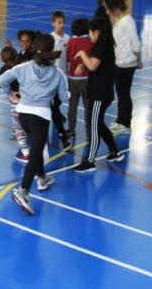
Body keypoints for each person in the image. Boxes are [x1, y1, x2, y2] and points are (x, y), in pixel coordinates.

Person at [0, 34, 69, 216]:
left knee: (36, 149)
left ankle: (43, 178)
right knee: (35, 153)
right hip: (40, 117)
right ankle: (23, 191)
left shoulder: (24, 67)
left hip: (22, 114)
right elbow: (64, 97)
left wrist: (10, 94)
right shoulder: (58, 73)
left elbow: (2, 79)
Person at [73, 17, 125, 172]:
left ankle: (89, 162)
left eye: (90, 32)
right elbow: (97, 65)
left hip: (99, 94)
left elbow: (93, 66)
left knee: (94, 126)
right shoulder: (106, 44)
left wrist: (82, 54)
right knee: (99, 124)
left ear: (97, 31)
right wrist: (85, 63)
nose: (89, 35)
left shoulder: (101, 45)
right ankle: (114, 152)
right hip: (103, 91)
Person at [105, 0, 141, 133]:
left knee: (124, 93)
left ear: (115, 8)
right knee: (120, 93)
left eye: (108, 9)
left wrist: (138, 60)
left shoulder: (127, 21)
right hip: (119, 61)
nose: (107, 12)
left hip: (127, 62)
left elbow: (135, 42)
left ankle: (126, 123)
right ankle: (120, 120)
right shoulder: (119, 20)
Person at [0, 46, 31, 163]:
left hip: (15, 102)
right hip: (29, 99)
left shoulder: (4, 70)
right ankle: (35, 148)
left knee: (18, 128)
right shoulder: (24, 66)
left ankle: (26, 153)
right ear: (16, 56)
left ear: (1, 59)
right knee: (30, 124)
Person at [66, 18, 93, 139]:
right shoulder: (90, 41)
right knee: (88, 106)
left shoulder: (71, 41)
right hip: (87, 78)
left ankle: (71, 130)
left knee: (72, 105)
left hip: (73, 78)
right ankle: (89, 132)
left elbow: (67, 58)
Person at [49, 11, 72, 149]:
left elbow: (68, 55)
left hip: (64, 73)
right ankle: (55, 114)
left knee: (59, 98)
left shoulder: (68, 38)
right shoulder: (51, 39)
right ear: (53, 24)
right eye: (59, 22)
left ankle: (56, 112)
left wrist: (68, 68)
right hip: (53, 75)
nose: (62, 25)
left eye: (63, 22)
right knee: (54, 98)